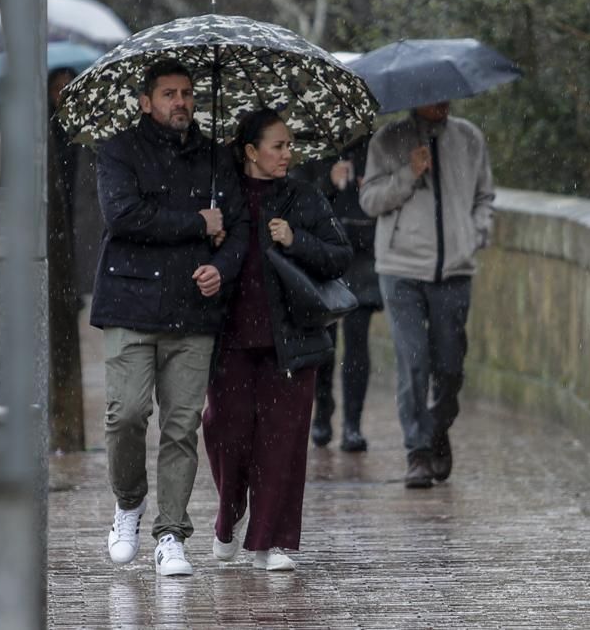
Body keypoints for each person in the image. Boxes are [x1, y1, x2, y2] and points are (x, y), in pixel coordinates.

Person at [93, 58, 249, 577]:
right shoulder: (118, 151)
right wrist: (196, 222)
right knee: (128, 414)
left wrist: (220, 269)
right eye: (168, 94)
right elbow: (124, 216)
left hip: (193, 309)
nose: (179, 102)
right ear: (146, 101)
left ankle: (171, 533)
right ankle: (129, 501)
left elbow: (238, 226)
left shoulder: (215, 158)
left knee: (181, 426)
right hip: (130, 304)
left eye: (186, 93)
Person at [204, 108, 352, 571]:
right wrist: (208, 235)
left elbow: (340, 256)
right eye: (278, 146)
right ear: (250, 151)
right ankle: (230, 513)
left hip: (291, 341)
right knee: (225, 433)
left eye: (290, 145)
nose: (288, 154)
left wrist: (296, 240)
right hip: (228, 340)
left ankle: (273, 540)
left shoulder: (302, 197)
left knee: (283, 441)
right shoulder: (219, 196)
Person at [358, 101, 495, 489]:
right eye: (434, 97)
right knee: (413, 360)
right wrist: (408, 173)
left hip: (454, 270)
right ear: (415, 98)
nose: (443, 103)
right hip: (400, 269)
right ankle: (417, 451)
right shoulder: (387, 140)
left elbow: (485, 196)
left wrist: (476, 234)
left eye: (447, 96)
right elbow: (369, 201)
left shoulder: (469, 137)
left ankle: (438, 426)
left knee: (450, 367)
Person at [292, 137, 381, 452]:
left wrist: (369, 189)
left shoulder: (375, 147)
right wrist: (328, 181)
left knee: (357, 344)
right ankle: (323, 410)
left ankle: (353, 424)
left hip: (362, 257)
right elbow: (297, 201)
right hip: (323, 258)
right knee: (325, 345)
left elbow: (383, 198)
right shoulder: (308, 146)